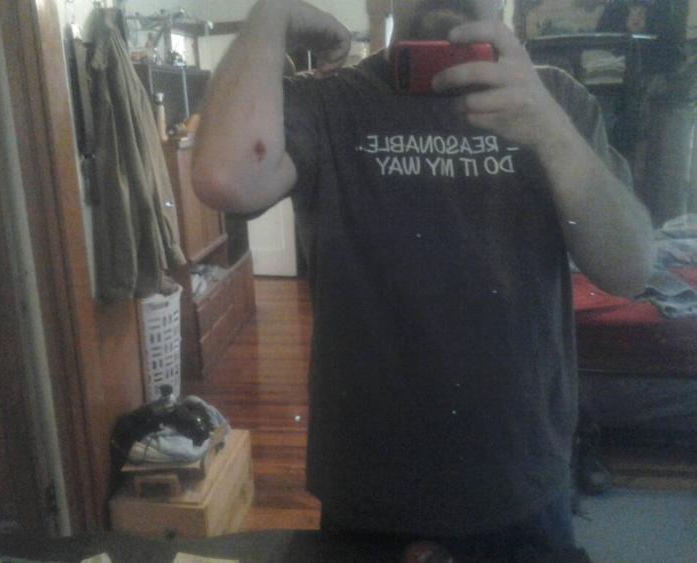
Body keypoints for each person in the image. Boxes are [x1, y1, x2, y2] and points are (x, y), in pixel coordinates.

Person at [192, 0, 654, 560]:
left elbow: (630, 269)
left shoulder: (555, 98)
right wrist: (272, 14)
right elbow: (225, 177)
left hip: (523, 482)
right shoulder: (333, 100)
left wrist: (552, 134)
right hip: (370, 490)